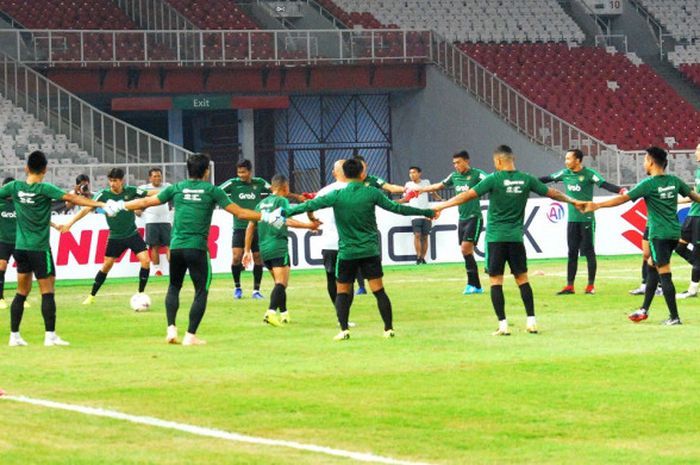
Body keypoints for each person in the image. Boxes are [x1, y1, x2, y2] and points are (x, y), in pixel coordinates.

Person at [111, 153, 278, 346]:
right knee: (201, 290)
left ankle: (171, 328)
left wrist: (120, 206)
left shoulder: (177, 188)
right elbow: (239, 212)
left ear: (188, 170)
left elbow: (146, 202)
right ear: (206, 171)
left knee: (174, 287)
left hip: (176, 247)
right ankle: (190, 335)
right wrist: (266, 217)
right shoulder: (211, 190)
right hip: (197, 248)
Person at [435, 145, 584, 336]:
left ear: (498, 161)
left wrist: (442, 205)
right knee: (522, 279)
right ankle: (532, 321)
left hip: (496, 238)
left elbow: (466, 196)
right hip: (516, 238)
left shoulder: (493, 179)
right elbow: (552, 193)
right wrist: (574, 201)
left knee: (496, 281)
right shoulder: (526, 179)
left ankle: (503, 326)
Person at [284, 158, 437, 341]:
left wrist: (281, 212)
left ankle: (344, 329)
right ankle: (388, 329)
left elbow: (308, 205)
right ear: (362, 174)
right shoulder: (371, 193)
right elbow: (397, 208)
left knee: (342, 291)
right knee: (379, 291)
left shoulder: (337, 195)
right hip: (369, 250)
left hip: (347, 252)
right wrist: (427, 212)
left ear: (345, 174)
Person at [583, 146, 700, 325]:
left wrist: (598, 205)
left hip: (658, 234)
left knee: (664, 272)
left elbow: (623, 199)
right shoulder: (674, 181)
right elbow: (694, 195)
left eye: (645, 160)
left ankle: (674, 317)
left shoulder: (649, 184)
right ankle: (644, 309)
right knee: (652, 264)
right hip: (673, 232)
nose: (644, 163)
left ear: (652, 162)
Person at [0, 151, 107, 347]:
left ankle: (14, 336)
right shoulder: (44, 188)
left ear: (26, 168)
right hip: (40, 248)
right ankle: (50, 336)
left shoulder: (14, 187)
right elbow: (72, 198)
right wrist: (99, 203)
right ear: (45, 169)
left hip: (20, 248)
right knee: (47, 291)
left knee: (21, 291)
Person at [59, 168, 151, 306]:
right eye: (111, 180)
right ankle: (91, 295)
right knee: (107, 266)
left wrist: (171, 192)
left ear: (121, 181)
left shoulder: (131, 191)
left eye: (115, 181)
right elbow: (86, 209)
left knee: (145, 261)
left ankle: (140, 293)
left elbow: (150, 193)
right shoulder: (103, 194)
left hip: (132, 234)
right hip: (115, 237)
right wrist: (70, 223)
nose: (112, 183)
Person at [539, 149, 623, 295]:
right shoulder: (565, 173)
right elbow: (547, 178)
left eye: (568, 159)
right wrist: (527, 181)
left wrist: (620, 190)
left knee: (589, 252)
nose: (566, 161)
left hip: (587, 219)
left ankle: (590, 286)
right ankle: (570, 286)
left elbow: (604, 184)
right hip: (572, 220)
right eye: (566, 159)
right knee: (572, 252)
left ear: (577, 160)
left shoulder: (589, 174)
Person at [243, 175, 320, 326]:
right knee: (281, 284)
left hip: (264, 248)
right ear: (286, 188)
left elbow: (250, 226)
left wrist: (247, 250)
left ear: (272, 187)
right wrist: (309, 226)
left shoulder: (260, 204)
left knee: (279, 284)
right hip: (278, 246)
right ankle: (271, 312)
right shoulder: (281, 201)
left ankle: (284, 314)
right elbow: (285, 220)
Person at [416, 150, 488, 294]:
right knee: (466, 252)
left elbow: (491, 180)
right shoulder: (454, 176)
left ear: (467, 161)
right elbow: (438, 186)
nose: (456, 165)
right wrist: (420, 190)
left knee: (465, 249)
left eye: (458, 162)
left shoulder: (477, 174)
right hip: (462, 219)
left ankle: (473, 285)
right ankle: (475, 285)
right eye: (454, 163)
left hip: (474, 217)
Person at [220, 159, 272, 300]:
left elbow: (275, 190)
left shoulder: (259, 183)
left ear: (250, 172)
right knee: (236, 257)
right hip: (239, 227)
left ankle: (256, 290)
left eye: (243, 172)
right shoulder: (233, 183)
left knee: (258, 258)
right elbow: (216, 192)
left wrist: (269, 205)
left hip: (257, 226)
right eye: (239, 172)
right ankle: (237, 287)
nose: (241, 175)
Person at [398, 166, 442, 264]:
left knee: (425, 236)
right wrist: (395, 203)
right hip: (414, 214)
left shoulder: (426, 182)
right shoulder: (408, 185)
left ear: (419, 173)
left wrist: (440, 199)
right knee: (417, 235)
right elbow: (406, 199)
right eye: (410, 173)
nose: (411, 175)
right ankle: (418, 257)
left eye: (414, 172)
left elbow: (433, 193)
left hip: (426, 214)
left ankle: (423, 257)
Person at [675, 142, 700, 299]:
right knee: (679, 247)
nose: (696, 152)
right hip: (692, 215)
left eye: (698, 149)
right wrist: (676, 201)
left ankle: (692, 289)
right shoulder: (698, 172)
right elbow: (695, 195)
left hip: (699, 218)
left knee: (698, 254)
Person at [139, 167, 171, 276]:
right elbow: (136, 199)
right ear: (150, 178)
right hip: (151, 220)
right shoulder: (144, 188)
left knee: (170, 245)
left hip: (166, 219)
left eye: (159, 176)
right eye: (155, 176)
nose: (157, 178)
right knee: (154, 246)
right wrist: (137, 209)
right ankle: (157, 270)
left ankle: (174, 268)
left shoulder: (167, 186)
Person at [0, 177, 16, 310]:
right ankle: (0, 298)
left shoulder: (20, 203)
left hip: (18, 241)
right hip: (2, 241)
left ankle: (22, 297)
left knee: (24, 269)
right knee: (1, 266)